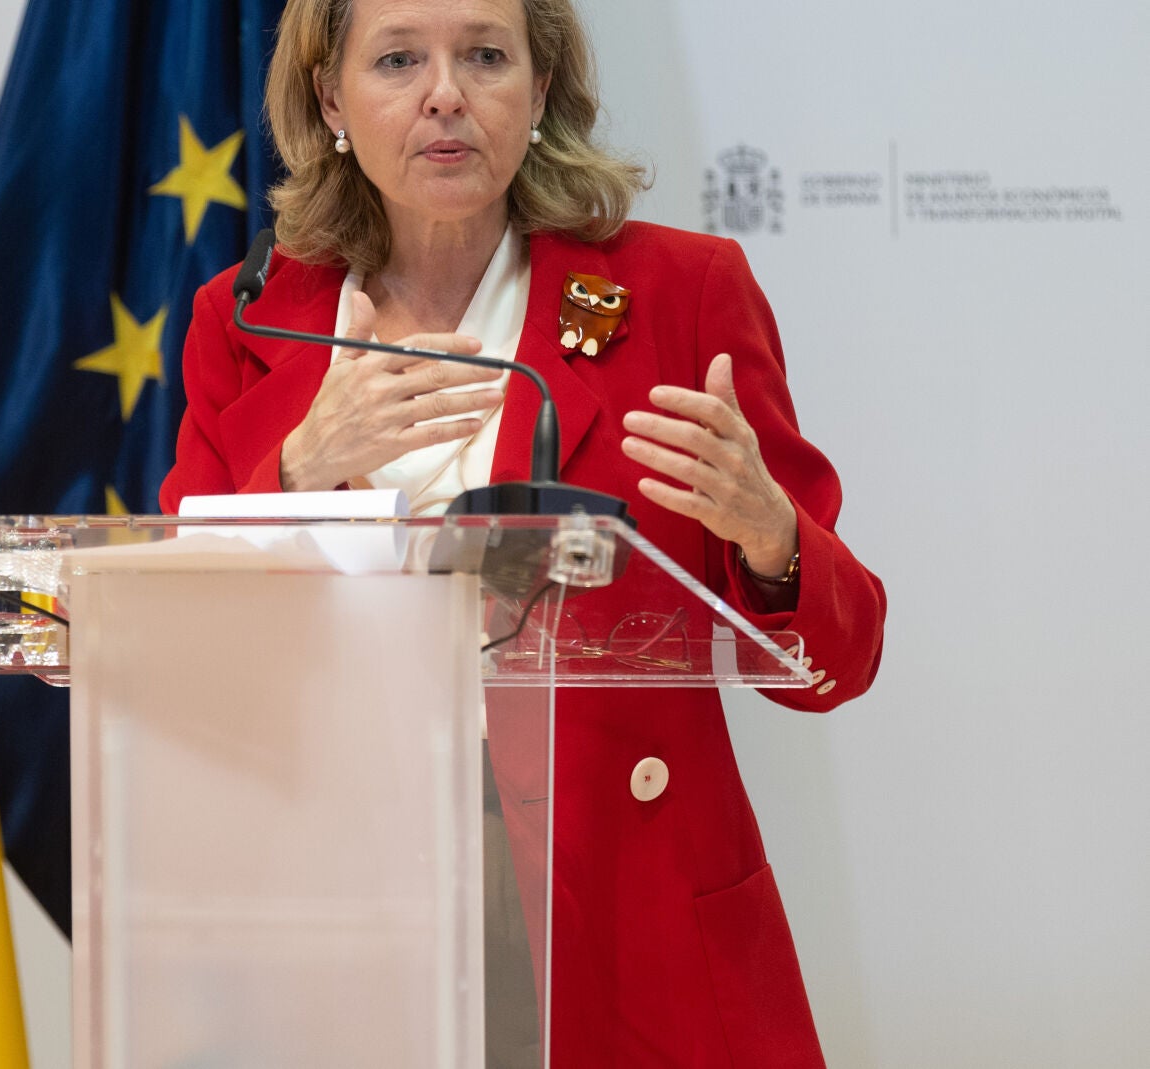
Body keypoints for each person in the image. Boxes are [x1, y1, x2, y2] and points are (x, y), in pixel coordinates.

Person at [159, 0, 888, 1064]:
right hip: (341, 904)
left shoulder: (679, 293)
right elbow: (172, 645)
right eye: (397, 60)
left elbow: (841, 661)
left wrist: (771, 535)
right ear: (330, 100)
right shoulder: (247, 317)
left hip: (627, 917)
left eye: (485, 56)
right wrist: (299, 468)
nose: (444, 94)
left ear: (539, 88)